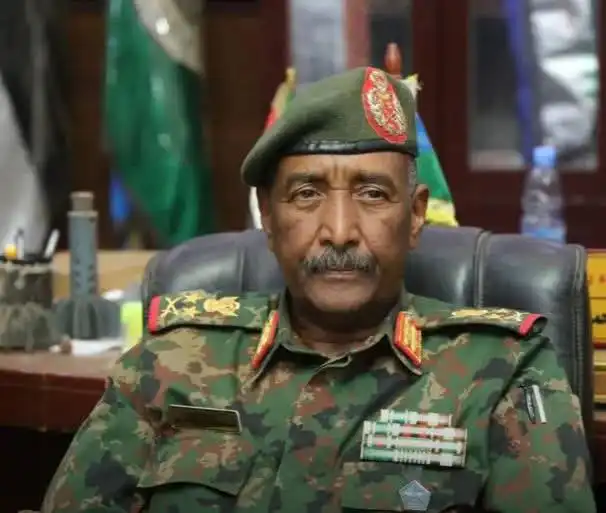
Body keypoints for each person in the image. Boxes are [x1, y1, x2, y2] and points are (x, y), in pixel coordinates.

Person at [41, 67, 595, 513]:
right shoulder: (171, 360)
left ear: (416, 215)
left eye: (373, 194)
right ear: (268, 216)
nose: (339, 231)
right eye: (306, 194)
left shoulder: (502, 373)